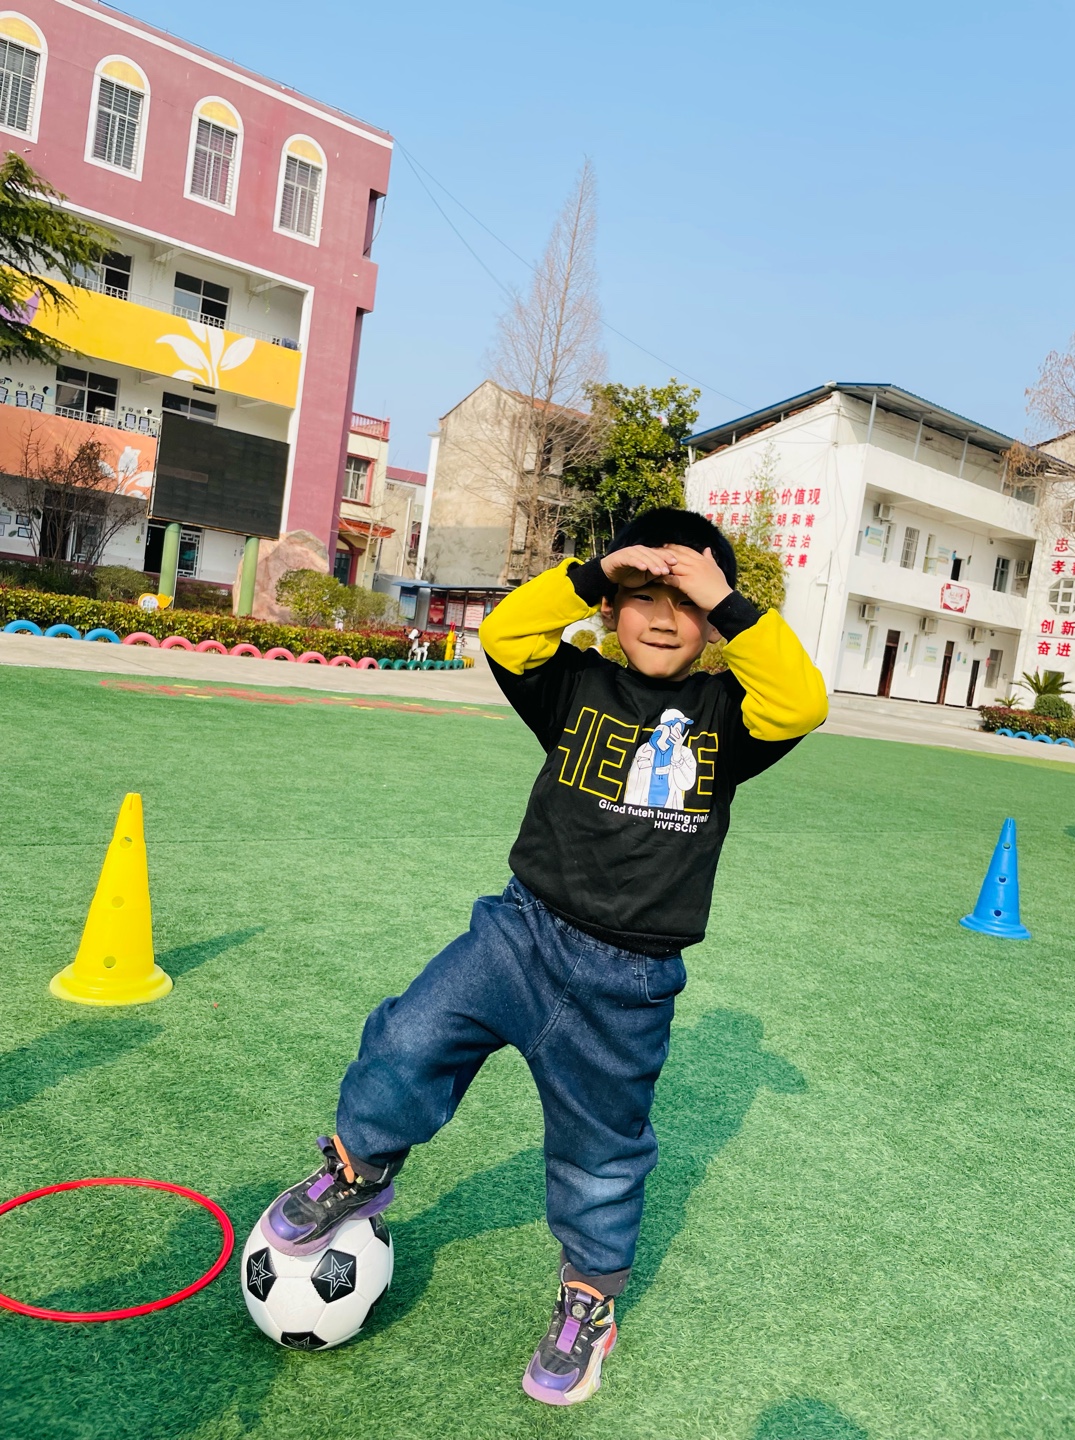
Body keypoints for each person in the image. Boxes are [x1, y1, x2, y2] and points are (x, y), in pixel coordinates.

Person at [263, 507, 828, 1405]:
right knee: (410, 1036)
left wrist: (726, 599)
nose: (662, 617)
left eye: (686, 604)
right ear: (610, 608)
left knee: (601, 1153)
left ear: (714, 622)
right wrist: (598, 569)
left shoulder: (728, 715)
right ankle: (356, 1169)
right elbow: (507, 634)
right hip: (519, 935)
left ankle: (589, 1299)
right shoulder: (574, 685)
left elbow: (803, 702)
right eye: (642, 597)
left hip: (628, 983)